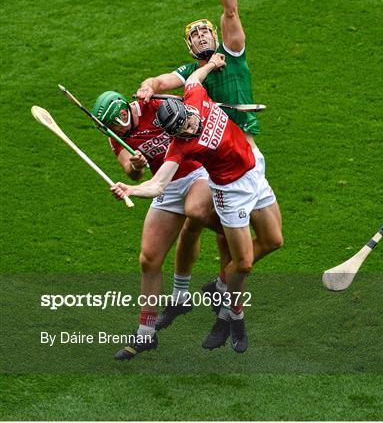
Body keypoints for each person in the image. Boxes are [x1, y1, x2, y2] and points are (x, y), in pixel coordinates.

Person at [136, 0, 283, 315]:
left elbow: (231, 10)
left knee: (268, 240)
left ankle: (220, 284)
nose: (202, 36)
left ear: (216, 36)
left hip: (248, 155)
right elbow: (160, 79)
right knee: (203, 219)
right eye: (195, 35)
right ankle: (213, 304)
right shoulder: (190, 75)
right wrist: (147, 87)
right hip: (217, 165)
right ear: (189, 47)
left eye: (206, 31)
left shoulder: (233, 51)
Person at [111, 54, 277, 353]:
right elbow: (159, 183)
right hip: (229, 191)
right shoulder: (181, 145)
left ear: (187, 109)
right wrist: (131, 189)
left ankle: (217, 287)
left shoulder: (196, 97)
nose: (188, 131)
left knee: (274, 241)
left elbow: (193, 79)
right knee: (243, 262)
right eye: (180, 132)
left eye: (187, 124)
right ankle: (232, 316)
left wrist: (213, 64)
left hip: (254, 172)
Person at [91, 90, 220, 360]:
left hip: (196, 171)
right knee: (148, 259)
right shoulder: (116, 136)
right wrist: (137, 166)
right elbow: (131, 171)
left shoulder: (155, 105)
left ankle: (228, 244)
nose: (110, 130)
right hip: (163, 186)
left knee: (195, 213)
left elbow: (193, 117)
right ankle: (145, 333)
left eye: (112, 124)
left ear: (123, 114)